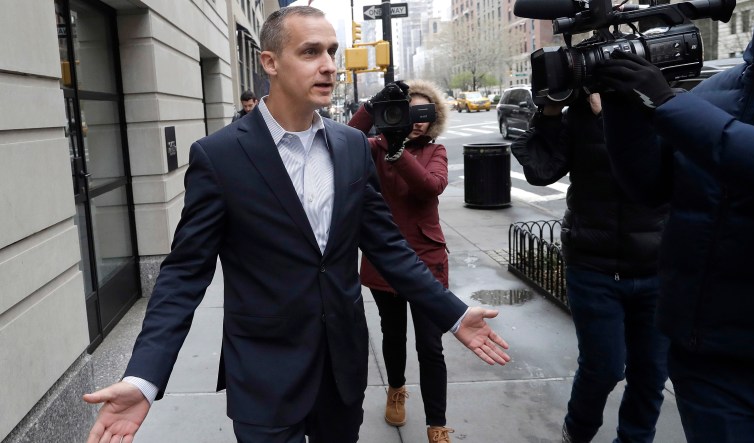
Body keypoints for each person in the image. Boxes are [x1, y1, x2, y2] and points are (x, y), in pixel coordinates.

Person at [82, 6, 510, 443]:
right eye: (310, 52)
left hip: (341, 369)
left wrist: (452, 315)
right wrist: (144, 378)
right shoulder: (220, 156)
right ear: (270, 62)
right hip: (264, 374)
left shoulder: (351, 147)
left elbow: (389, 248)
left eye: (332, 51)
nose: (328, 65)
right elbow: (184, 273)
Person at [592, 3, 754, 441]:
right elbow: (649, 186)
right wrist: (622, 104)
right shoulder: (712, 93)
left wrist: (668, 104)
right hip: (712, 360)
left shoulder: (689, 106)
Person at [511, 90, 670, 443]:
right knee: (604, 368)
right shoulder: (578, 117)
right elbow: (541, 170)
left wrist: (608, 119)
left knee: (651, 374)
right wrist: (551, 110)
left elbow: (658, 167)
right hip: (593, 266)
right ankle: (577, 434)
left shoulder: (659, 107)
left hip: (654, 266)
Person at [348, 80, 455, 442]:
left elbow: (430, 186)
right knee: (393, 335)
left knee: (431, 345)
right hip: (385, 262)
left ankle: (436, 424)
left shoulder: (435, 151)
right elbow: (342, 139)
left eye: (425, 114)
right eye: (410, 113)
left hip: (427, 261)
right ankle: (396, 389)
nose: (417, 121)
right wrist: (372, 106)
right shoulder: (373, 148)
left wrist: (399, 152)